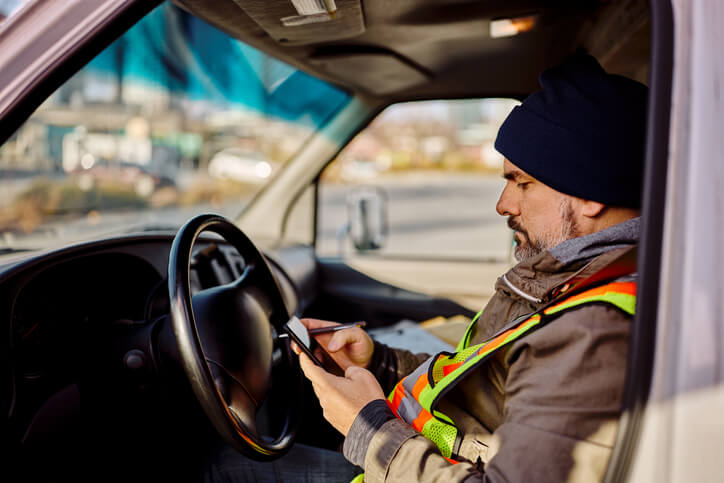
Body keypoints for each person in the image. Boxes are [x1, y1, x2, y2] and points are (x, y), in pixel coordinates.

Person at [204, 53, 648, 482]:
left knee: (221, 468)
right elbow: (480, 389)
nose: (503, 204)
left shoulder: (595, 335)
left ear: (591, 194)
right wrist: (379, 363)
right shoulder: (568, 277)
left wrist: (367, 427)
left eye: (523, 183)